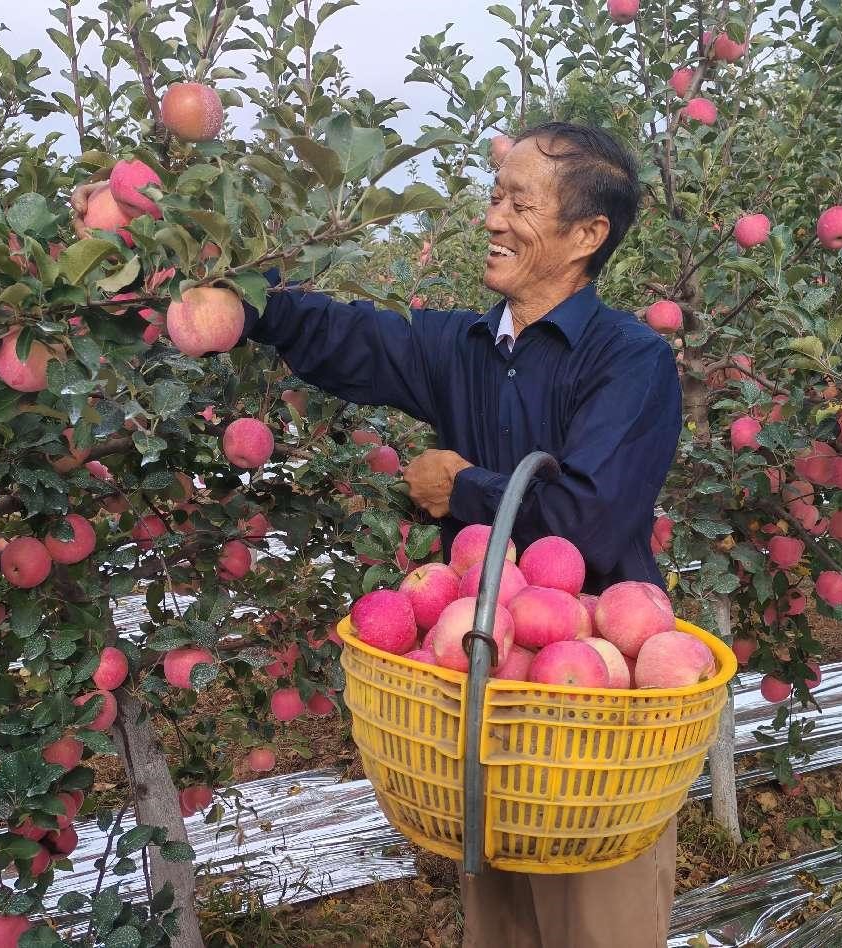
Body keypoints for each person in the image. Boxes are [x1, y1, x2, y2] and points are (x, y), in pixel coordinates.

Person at [79, 121, 684, 947]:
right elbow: (337, 333)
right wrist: (191, 253)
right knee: (501, 922)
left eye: (520, 204)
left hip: (600, 702)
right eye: (495, 197)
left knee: (596, 925)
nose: (493, 218)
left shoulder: (629, 359)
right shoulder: (462, 347)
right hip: (483, 675)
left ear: (587, 235)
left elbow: (589, 521)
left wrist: (458, 485)